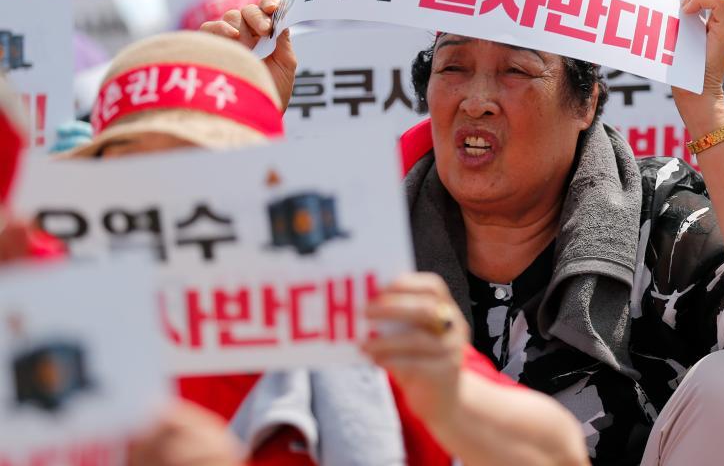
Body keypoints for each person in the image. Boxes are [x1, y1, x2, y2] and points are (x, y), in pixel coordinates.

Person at [206, 0, 724, 465]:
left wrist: (706, 105)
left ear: (585, 103)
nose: (477, 100)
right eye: (453, 67)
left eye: (515, 70)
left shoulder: (656, 212)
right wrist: (228, 115)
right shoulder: (360, 225)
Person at [44, 30, 587, 466]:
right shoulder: (46, 339)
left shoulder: (349, 318)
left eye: (206, 173)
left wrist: (449, 397)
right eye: (135, 176)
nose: (171, 202)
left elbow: (558, 452)